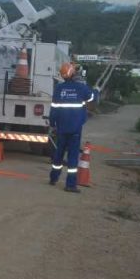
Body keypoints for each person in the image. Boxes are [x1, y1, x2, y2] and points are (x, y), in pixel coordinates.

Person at [49, 61, 96, 193]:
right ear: (73, 73)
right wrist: (95, 90)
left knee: (58, 154)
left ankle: (53, 178)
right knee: (73, 157)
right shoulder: (81, 88)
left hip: (61, 128)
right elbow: (91, 97)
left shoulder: (58, 88)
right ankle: (70, 185)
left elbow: (54, 109)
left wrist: (53, 124)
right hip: (75, 129)